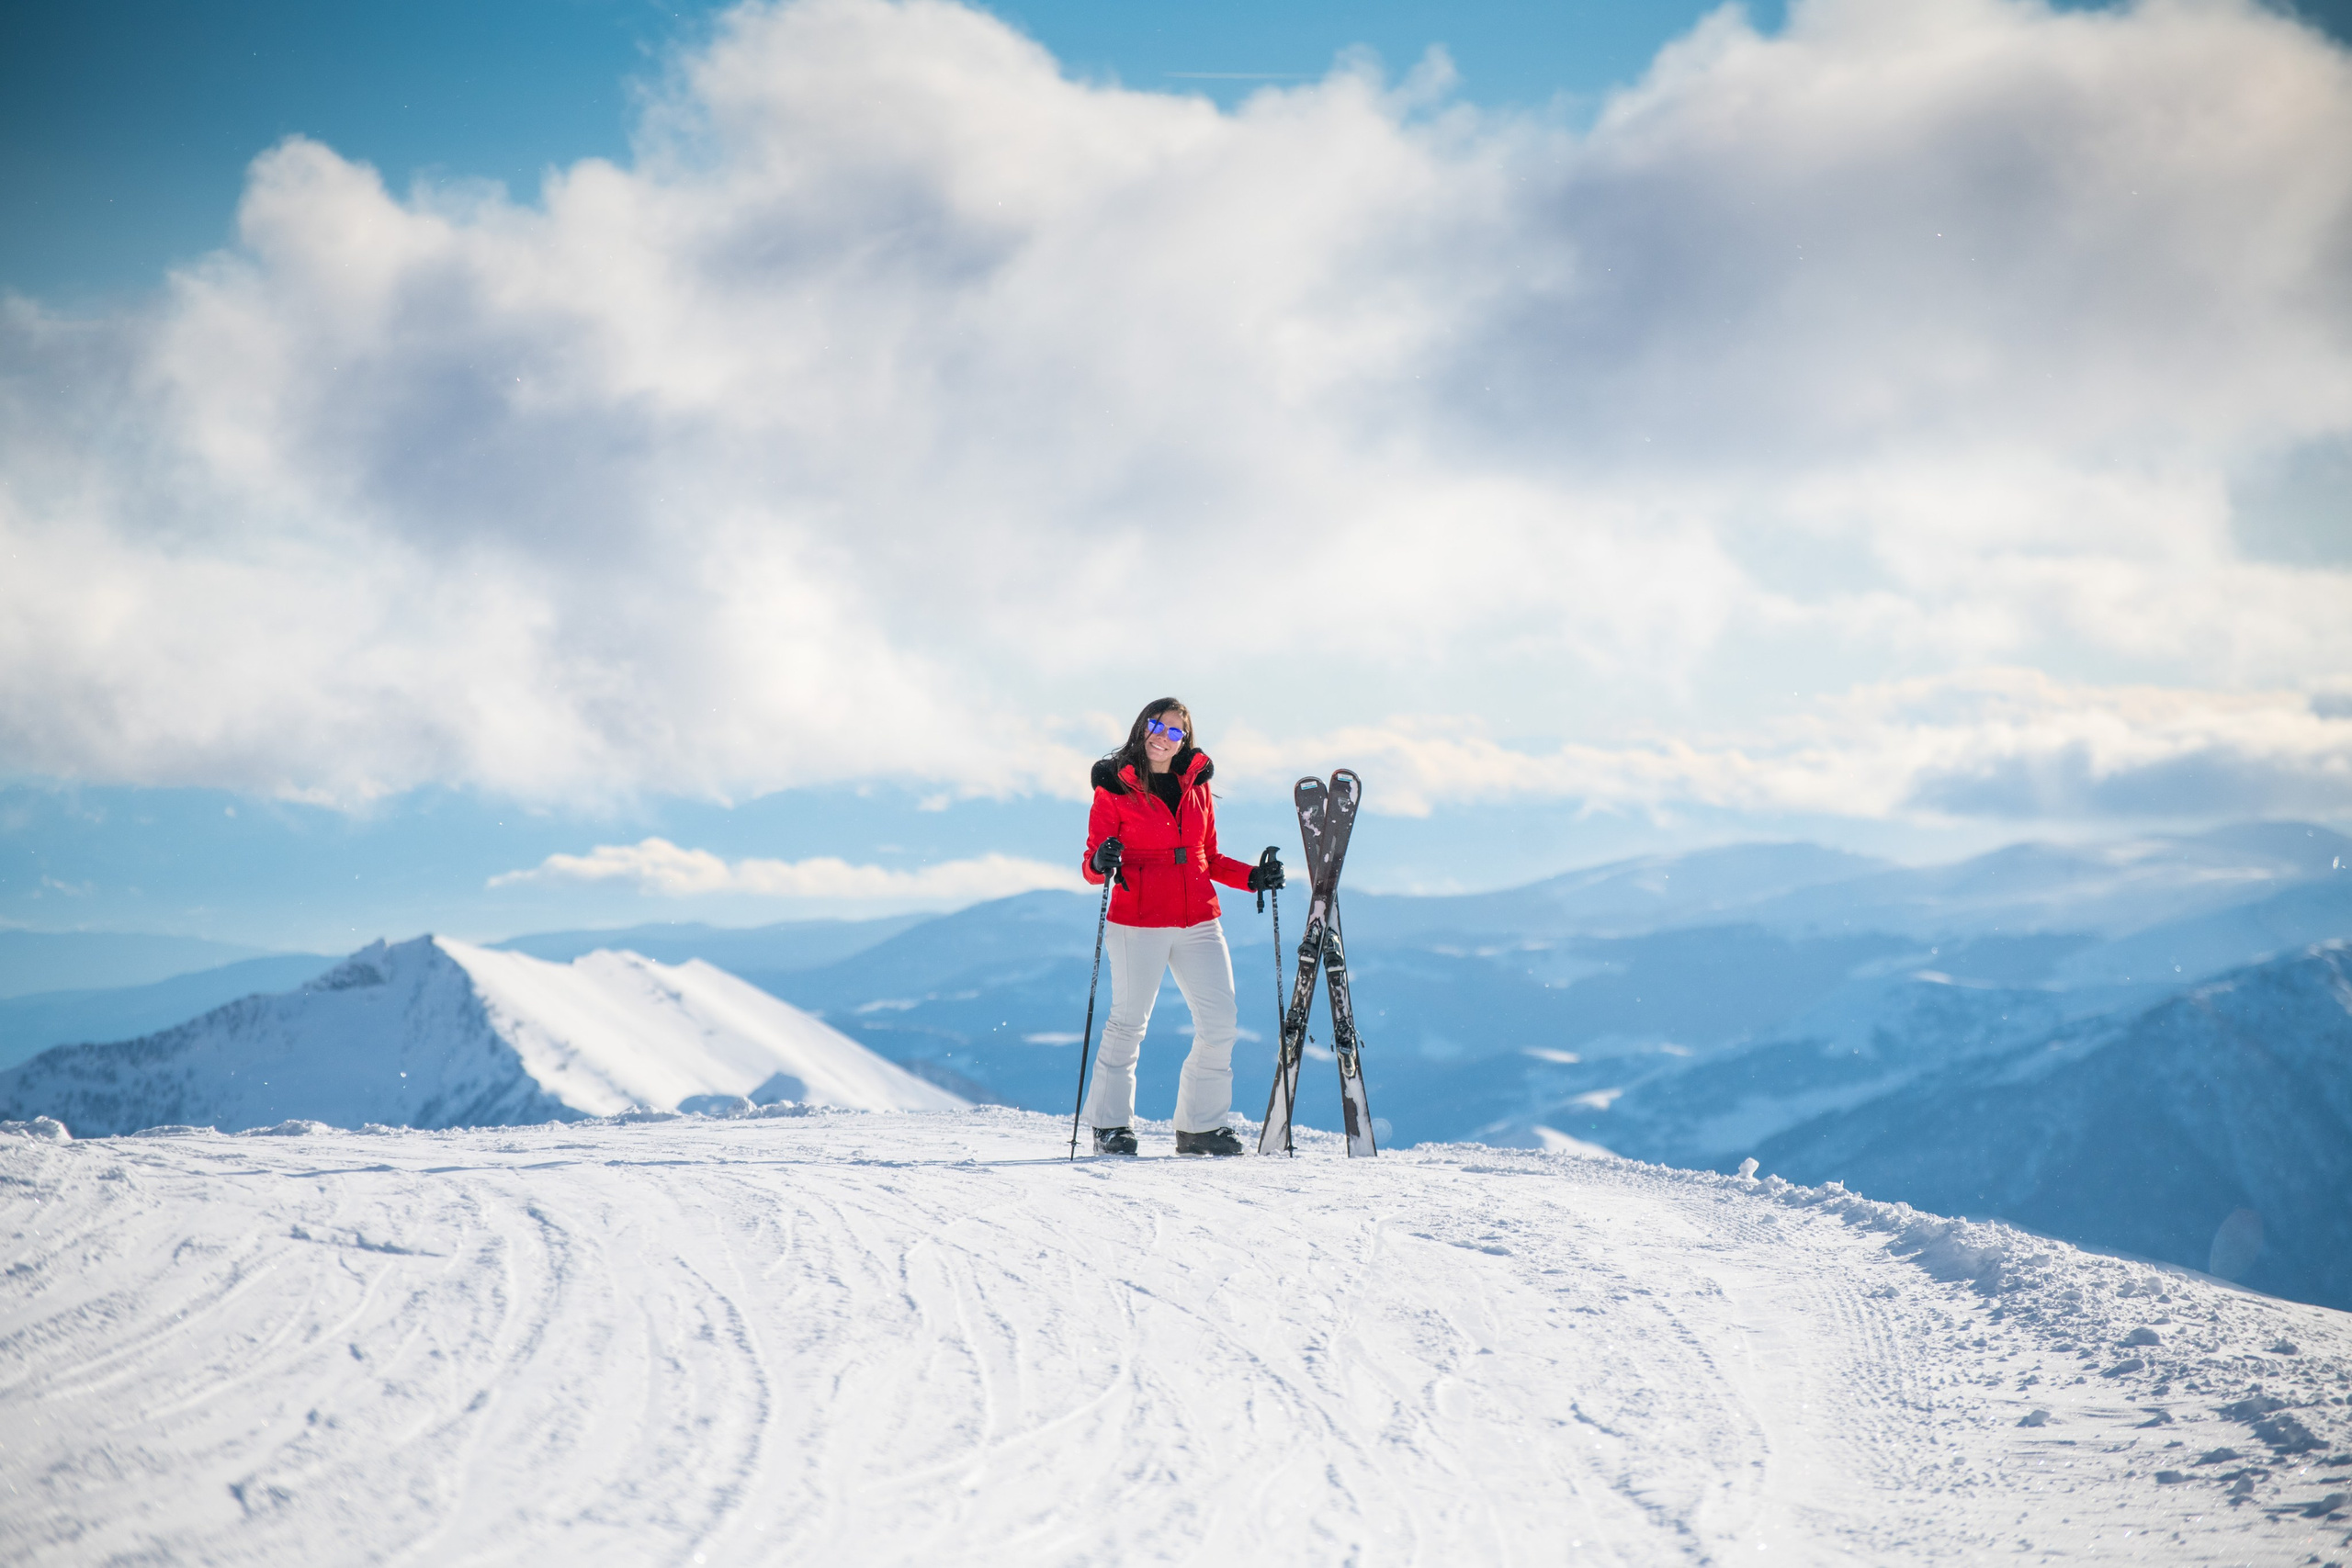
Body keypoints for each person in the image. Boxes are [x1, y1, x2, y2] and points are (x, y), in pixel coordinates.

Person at [1080, 698, 1284, 1156]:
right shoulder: (1114, 786)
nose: (1163, 736)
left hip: (1199, 921)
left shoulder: (1197, 786)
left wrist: (1253, 877)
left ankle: (1200, 1128)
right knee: (1129, 1024)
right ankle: (1110, 1127)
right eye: (1157, 724)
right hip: (1138, 920)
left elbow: (1207, 858)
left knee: (1220, 1024)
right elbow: (1092, 865)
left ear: (1184, 741)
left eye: (1175, 731)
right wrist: (1101, 861)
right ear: (1142, 726)